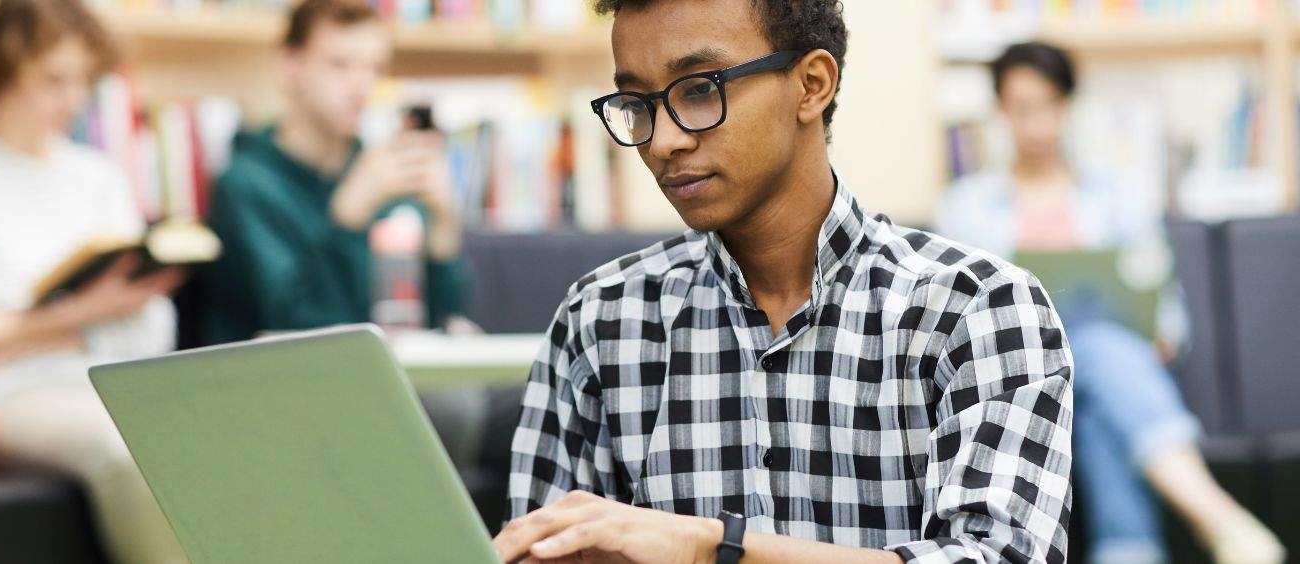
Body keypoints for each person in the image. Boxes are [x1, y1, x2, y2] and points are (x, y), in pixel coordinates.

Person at [496, 1, 1074, 562]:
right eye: (638, 103)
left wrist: (706, 548)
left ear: (812, 84)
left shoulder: (977, 310)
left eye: (700, 89)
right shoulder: (600, 320)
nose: (662, 141)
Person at [934, 42, 1286, 564]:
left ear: (1067, 106)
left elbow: (1160, 296)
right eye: (1021, 108)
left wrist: (1161, 331)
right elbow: (957, 313)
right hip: (1019, 378)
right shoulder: (967, 206)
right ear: (1001, 111)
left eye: (1048, 105)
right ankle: (1221, 518)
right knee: (1089, 349)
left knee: (1099, 389)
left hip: (1107, 373)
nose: (1036, 124)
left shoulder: (1115, 194)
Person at [0, 0, 188, 562]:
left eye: (82, 82)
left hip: (110, 381)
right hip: (5, 395)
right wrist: (77, 318)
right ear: (3, 70)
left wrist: (21, 335)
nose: (72, 100)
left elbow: (152, 331)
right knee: (128, 448)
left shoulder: (98, 177)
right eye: (53, 80)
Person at [199, 0, 468, 345]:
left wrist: (443, 229)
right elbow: (299, 328)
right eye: (339, 65)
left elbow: (437, 325)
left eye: (374, 68)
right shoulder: (245, 186)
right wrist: (347, 218)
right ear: (290, 66)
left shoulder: (378, 173)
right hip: (279, 387)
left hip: (380, 381)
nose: (361, 85)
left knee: (464, 400)